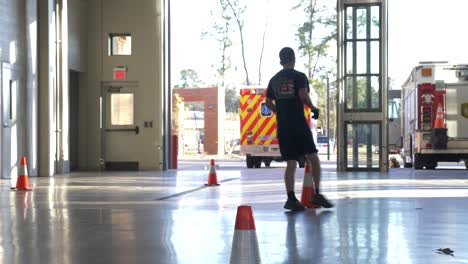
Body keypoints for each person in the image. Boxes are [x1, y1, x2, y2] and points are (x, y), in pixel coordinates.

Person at [265, 47, 333, 211]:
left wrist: (279, 111)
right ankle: (317, 193)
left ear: (281, 60)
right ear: (293, 58)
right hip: (298, 123)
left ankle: (291, 198)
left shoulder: (274, 79)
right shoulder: (299, 77)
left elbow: (268, 103)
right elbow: (303, 95)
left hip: (283, 126)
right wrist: (313, 108)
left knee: (291, 162)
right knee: (313, 157)